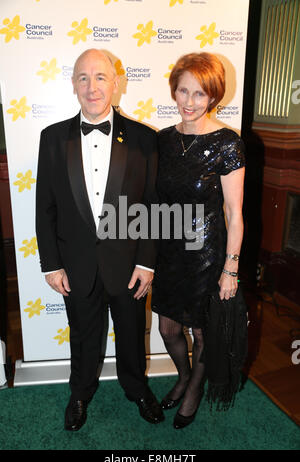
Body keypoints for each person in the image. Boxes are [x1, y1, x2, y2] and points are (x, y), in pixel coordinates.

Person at [36, 49, 164, 431]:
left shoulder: (145, 139)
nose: (92, 87)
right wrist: (51, 263)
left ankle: (138, 388)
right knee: (83, 337)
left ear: (116, 82)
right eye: (83, 78)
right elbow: (45, 208)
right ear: (73, 84)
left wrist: (146, 262)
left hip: (127, 266)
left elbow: (152, 205)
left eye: (101, 77)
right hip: (76, 265)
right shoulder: (52, 138)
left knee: (130, 335)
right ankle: (80, 394)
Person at [151, 52, 245, 429]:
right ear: (174, 90)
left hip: (207, 255)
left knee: (203, 332)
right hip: (170, 251)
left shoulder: (227, 143)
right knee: (168, 329)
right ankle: (184, 375)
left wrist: (230, 268)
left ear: (213, 97)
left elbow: (235, 213)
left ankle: (193, 388)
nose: (189, 102)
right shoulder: (161, 141)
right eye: (183, 91)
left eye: (200, 94)